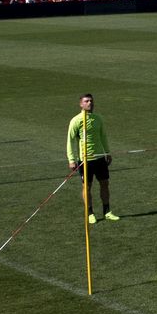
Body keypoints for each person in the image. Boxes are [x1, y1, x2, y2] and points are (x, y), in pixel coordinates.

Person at [66, 93, 117, 224]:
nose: (90, 103)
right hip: (85, 160)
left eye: (91, 101)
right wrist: (71, 160)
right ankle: (90, 213)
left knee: (105, 184)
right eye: (86, 101)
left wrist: (107, 152)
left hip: (100, 158)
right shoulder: (76, 120)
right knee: (86, 187)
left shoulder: (98, 118)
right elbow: (70, 141)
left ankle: (107, 211)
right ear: (81, 104)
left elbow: (103, 136)